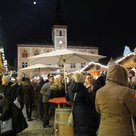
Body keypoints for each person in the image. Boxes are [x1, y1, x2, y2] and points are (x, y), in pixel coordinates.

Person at [95, 63, 136, 136]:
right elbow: (134, 111)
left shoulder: (99, 92)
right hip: (122, 131)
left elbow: (98, 110)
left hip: (104, 130)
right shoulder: (126, 91)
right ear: (121, 75)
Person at [68, 72, 96, 136]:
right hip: (84, 112)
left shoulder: (69, 88)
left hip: (74, 111)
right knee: (85, 130)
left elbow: (67, 98)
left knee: (77, 129)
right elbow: (89, 102)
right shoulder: (83, 89)